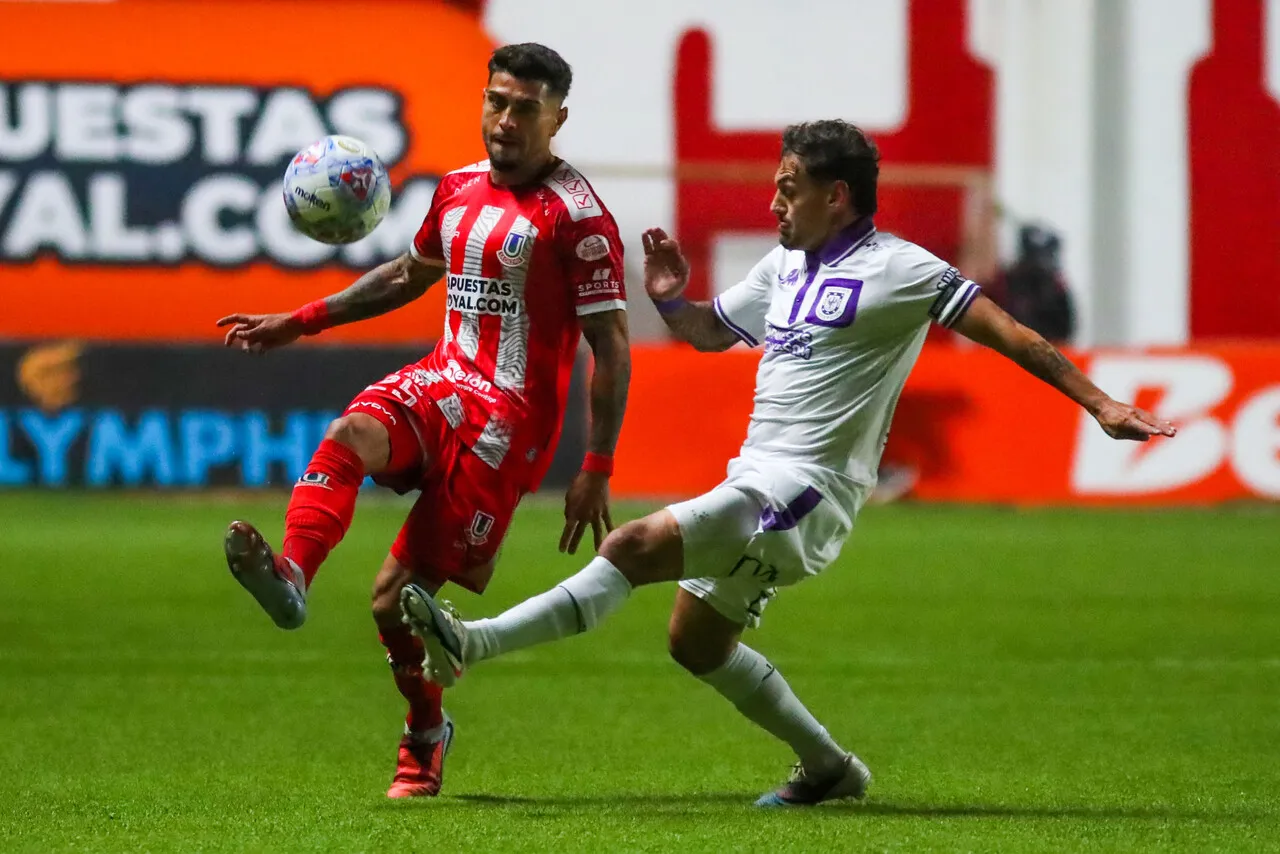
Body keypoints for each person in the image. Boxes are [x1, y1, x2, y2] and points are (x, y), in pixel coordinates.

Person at [399, 120, 1175, 807]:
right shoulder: (783, 269)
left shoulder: (903, 269)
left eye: (787, 188)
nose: (773, 202)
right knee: (695, 644)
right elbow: (708, 333)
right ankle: (830, 767)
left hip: (811, 490)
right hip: (757, 476)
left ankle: (473, 644)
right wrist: (672, 300)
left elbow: (1013, 334)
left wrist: (1100, 403)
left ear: (836, 196)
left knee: (630, 546)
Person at [214, 43, 631, 799]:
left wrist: (595, 467)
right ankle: (293, 578)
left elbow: (610, 343)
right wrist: (300, 320)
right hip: (440, 383)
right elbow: (409, 274)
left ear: (557, 118)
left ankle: (425, 733)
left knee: (393, 602)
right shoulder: (459, 188)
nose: (505, 120)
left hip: (505, 428)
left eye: (525, 108)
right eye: (496, 101)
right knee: (347, 436)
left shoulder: (579, 219)